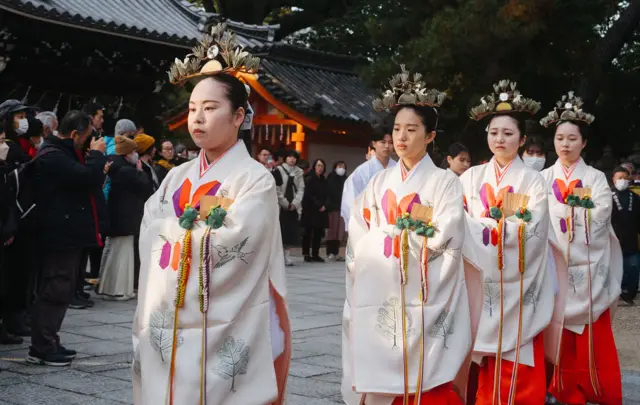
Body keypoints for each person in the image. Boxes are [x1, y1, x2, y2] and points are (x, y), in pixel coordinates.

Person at [133, 23, 290, 405]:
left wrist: (176, 231)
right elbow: (148, 225)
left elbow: (238, 244)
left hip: (227, 318)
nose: (197, 118)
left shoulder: (256, 180)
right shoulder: (177, 176)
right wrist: (182, 229)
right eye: (191, 109)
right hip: (171, 312)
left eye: (210, 108)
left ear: (239, 116)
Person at [344, 67, 482, 404]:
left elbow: (447, 233)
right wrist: (388, 241)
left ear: (431, 136)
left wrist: (391, 238)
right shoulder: (378, 183)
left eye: (411, 129)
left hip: (426, 292)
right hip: (382, 287)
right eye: (396, 130)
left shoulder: (446, 183)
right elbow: (359, 233)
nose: (401, 138)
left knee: (426, 372)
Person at [461, 80, 561, 405]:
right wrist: (489, 226)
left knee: (517, 352)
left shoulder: (533, 180)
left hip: (518, 281)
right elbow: (456, 220)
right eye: (493, 132)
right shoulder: (471, 178)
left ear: (522, 139)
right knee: (476, 353)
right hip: (480, 279)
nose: (499, 139)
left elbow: (533, 226)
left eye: (507, 133)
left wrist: (486, 228)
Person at [540, 92, 623, 405]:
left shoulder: (595, 178)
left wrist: (565, 211)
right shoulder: (543, 178)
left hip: (587, 268)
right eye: (560, 138)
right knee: (552, 329)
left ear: (584, 143)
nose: (565, 144)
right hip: (553, 267)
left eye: (572, 138)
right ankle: (553, 387)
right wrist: (568, 211)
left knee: (588, 336)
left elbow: (601, 215)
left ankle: (592, 388)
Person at [28, 110, 107, 366]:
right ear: (74, 134)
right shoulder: (53, 156)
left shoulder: (61, 153)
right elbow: (88, 178)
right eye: (86, 138)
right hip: (57, 235)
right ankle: (42, 346)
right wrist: (96, 155)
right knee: (55, 289)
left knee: (62, 288)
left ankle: (50, 339)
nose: (87, 143)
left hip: (67, 233)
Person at [98, 136, 151, 300]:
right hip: (125, 217)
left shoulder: (114, 165)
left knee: (115, 251)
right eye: (133, 151)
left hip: (118, 217)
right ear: (127, 153)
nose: (136, 154)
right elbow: (145, 185)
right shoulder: (127, 170)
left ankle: (109, 287)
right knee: (123, 254)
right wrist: (140, 171)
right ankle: (119, 289)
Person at [341, 117, 397, 230]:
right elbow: (351, 200)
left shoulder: (398, 168)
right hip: (369, 222)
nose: (387, 146)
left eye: (391, 142)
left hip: (394, 223)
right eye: (383, 142)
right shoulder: (362, 171)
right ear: (374, 144)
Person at [610, 166, 640, 305]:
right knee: (614, 270)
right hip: (613, 240)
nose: (622, 180)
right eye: (619, 178)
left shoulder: (635, 197)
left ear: (629, 180)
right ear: (613, 179)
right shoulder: (606, 197)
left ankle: (629, 294)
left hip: (631, 240)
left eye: (625, 178)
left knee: (633, 267)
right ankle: (616, 294)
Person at [275, 150, 305, 266]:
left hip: (294, 206)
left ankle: (287, 256)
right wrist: (285, 202)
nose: (292, 159)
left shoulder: (299, 172)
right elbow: (277, 188)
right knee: (280, 231)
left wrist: (295, 203)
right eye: (290, 157)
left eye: (294, 157)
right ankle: (279, 256)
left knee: (290, 233)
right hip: (281, 206)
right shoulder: (279, 170)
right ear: (285, 158)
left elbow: (301, 189)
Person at [301, 158, 329, 262]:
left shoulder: (324, 180)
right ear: (314, 166)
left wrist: (325, 205)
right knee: (308, 232)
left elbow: (327, 194)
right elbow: (308, 194)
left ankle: (315, 254)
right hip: (310, 209)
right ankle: (306, 253)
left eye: (322, 166)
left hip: (321, 210)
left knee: (318, 232)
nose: (320, 168)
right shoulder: (309, 178)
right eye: (318, 165)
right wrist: (318, 205)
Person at [326, 161, 348, 261]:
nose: (341, 168)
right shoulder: (331, 178)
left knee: (339, 232)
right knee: (332, 231)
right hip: (333, 208)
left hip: (342, 208)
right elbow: (330, 193)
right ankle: (330, 252)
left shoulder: (345, 179)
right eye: (339, 166)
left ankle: (336, 252)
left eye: (343, 167)